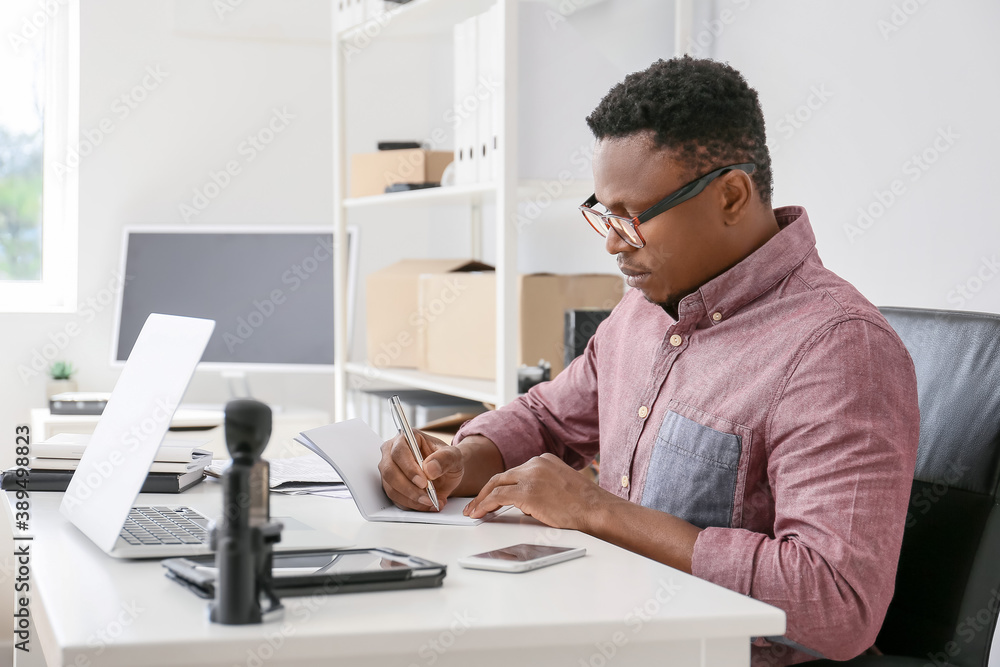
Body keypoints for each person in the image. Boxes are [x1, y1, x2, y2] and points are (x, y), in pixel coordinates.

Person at [378, 56, 919, 665]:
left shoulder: (839, 350)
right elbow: (548, 420)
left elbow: (836, 603)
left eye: (632, 218)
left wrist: (594, 511)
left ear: (732, 195)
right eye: (604, 214)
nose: (612, 242)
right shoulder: (644, 308)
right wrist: (459, 459)